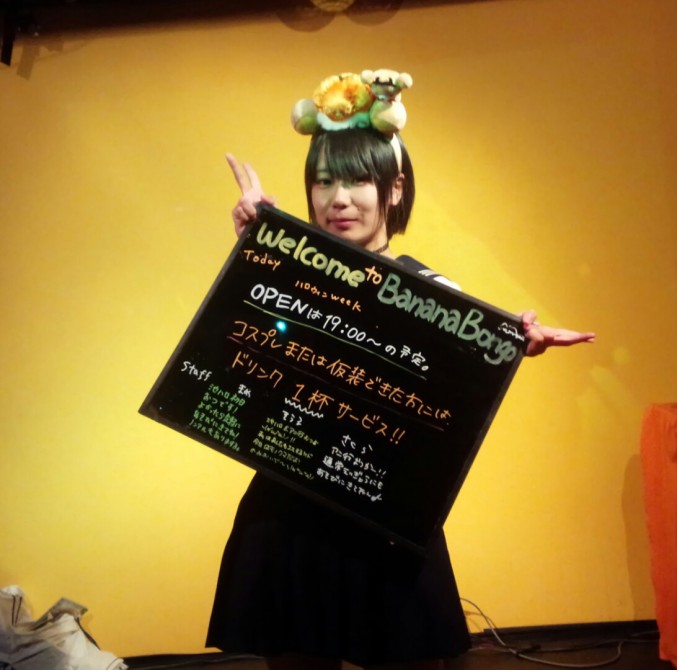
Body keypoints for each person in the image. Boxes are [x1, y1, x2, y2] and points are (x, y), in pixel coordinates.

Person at [206, 71, 595, 670]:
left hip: (386, 517)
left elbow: (472, 352)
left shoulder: (430, 291)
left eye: (358, 179)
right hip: (289, 507)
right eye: (323, 180)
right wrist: (257, 251)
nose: (338, 198)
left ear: (394, 188)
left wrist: (515, 340)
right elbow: (239, 355)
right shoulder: (290, 273)